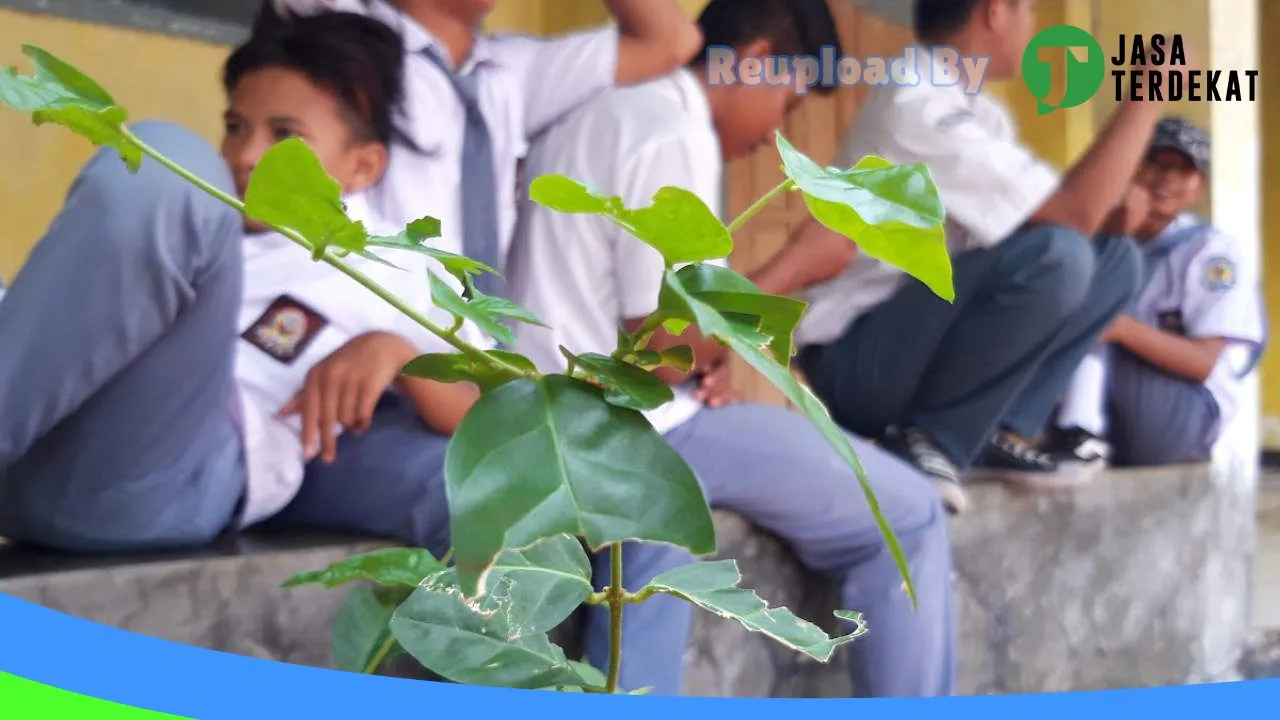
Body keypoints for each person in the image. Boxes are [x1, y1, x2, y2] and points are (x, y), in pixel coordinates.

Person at [506, 0, 955, 698]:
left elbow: (641, 331)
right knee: (910, 515)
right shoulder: (668, 128)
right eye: (788, 95)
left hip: (558, 408)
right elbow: (655, 347)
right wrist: (795, 267)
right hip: (625, 425)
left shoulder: (607, 109)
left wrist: (709, 359)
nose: (780, 126)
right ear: (750, 60)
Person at [0, 12, 479, 555]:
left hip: (161, 482)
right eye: (235, 127)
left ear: (363, 166)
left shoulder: (400, 261)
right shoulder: (207, 229)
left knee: (163, 162)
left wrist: (399, 353)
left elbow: (488, 417)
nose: (246, 156)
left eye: (286, 136)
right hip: (39, 446)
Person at [748, 0, 1187, 513]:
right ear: (997, 10)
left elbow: (1063, 217)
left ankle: (998, 429)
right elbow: (1071, 216)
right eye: (1028, 13)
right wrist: (1150, 92)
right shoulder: (916, 103)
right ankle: (930, 439)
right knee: (1059, 254)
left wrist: (1111, 211)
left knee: (1114, 260)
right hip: (858, 357)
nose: (1033, 28)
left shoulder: (980, 110)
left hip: (916, 339)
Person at [266, 0, 703, 298]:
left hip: (473, 357)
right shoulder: (343, 37)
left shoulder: (513, 72)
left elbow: (671, 39)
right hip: (362, 348)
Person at [1046, 117, 1266, 468]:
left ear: (1199, 189)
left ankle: (1078, 433)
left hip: (1185, 404)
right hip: (1115, 391)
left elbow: (1202, 363)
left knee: (1095, 323)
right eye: (1156, 164)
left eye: (1183, 171)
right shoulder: (1101, 236)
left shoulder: (1210, 251)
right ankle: (1074, 434)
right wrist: (1117, 232)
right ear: (1131, 168)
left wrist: (1119, 328)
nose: (1167, 178)